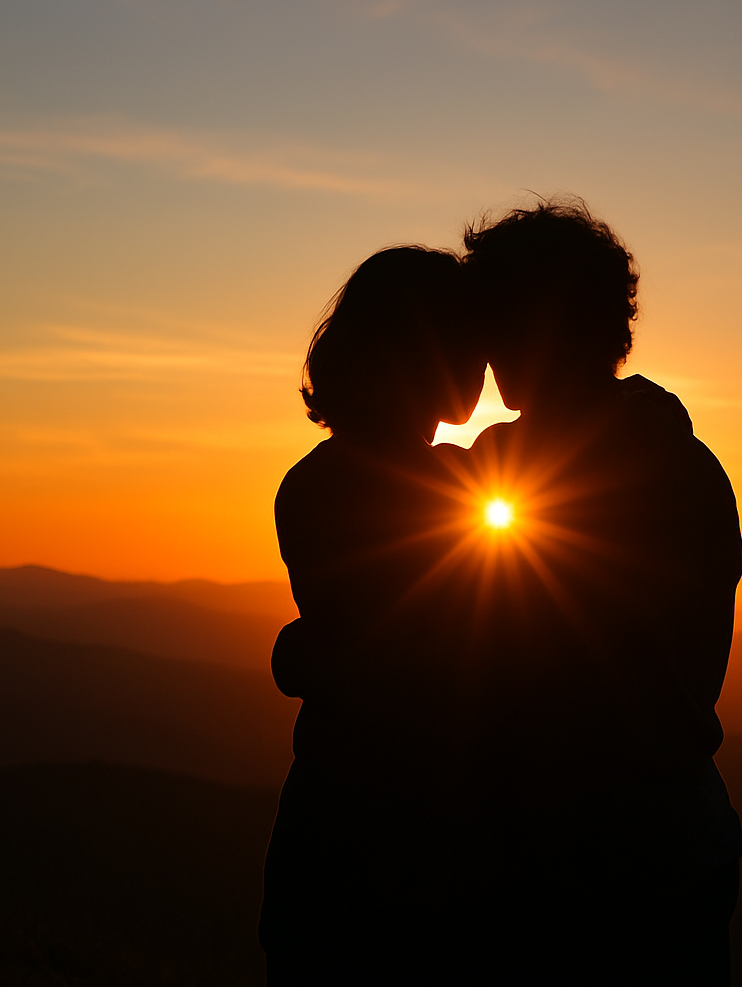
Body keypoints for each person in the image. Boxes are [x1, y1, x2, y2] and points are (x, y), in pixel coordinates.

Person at [457, 199, 742, 983]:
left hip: (587, 874)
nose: (487, 348)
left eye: (500, 319)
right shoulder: (685, 461)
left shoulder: (513, 467)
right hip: (676, 851)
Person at [258, 246, 486, 983]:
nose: (486, 362)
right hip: (417, 846)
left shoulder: (308, 482)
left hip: (327, 830)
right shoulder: (454, 491)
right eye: (471, 340)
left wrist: (304, 658)